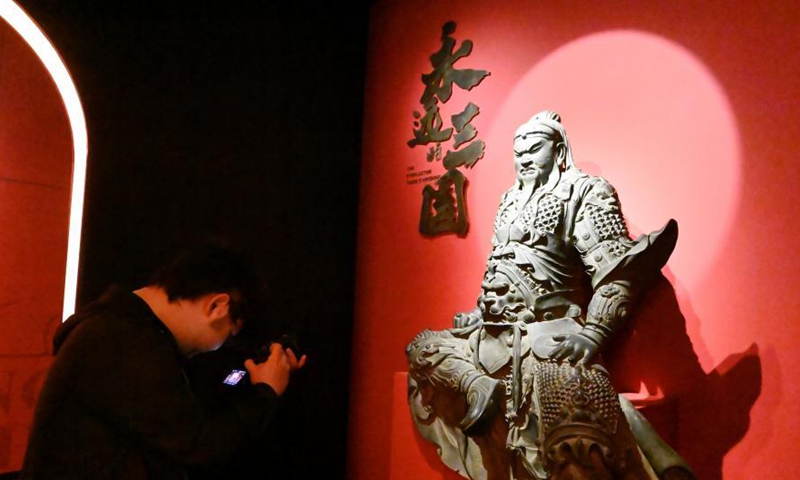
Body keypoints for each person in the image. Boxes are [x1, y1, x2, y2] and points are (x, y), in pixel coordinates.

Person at [406, 111, 692, 480]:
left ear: (558, 150)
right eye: (517, 151)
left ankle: (652, 452)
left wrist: (594, 333)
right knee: (423, 347)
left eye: (534, 148)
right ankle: (475, 385)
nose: (524, 158)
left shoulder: (586, 192)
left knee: (578, 433)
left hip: (549, 334)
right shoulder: (509, 200)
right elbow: (501, 270)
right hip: (490, 332)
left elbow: (618, 274)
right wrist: (480, 313)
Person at [20, 245, 306, 480]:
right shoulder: (124, 342)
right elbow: (198, 446)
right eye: (228, 336)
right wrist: (266, 394)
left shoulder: (120, 329)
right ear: (217, 306)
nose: (220, 347)